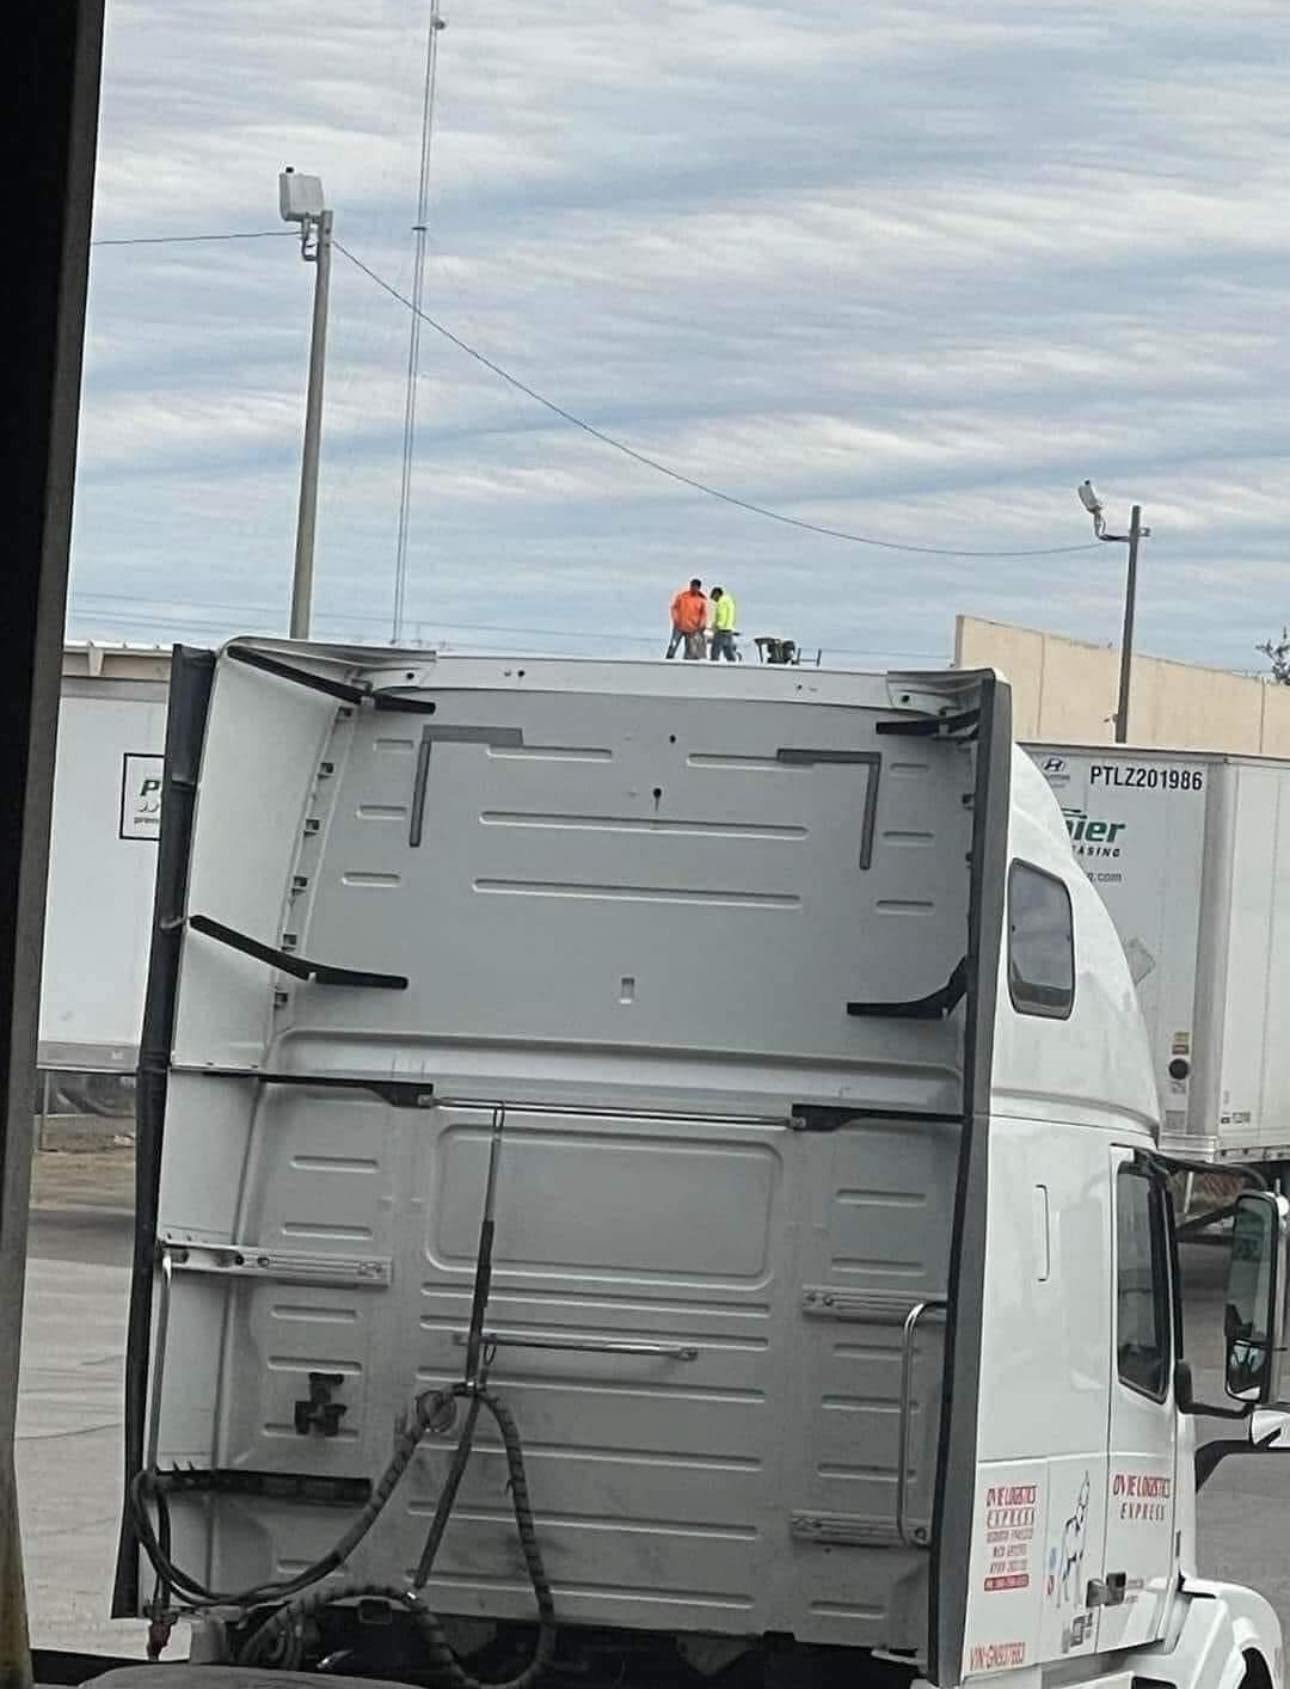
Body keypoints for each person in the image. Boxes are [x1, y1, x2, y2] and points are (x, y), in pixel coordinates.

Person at [667, 579, 708, 659]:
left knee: (691, 650)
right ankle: (669, 659)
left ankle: (687, 663)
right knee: (673, 645)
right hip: (679, 627)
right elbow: (674, 608)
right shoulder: (682, 596)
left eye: (695, 587)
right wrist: (676, 619)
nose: (693, 588)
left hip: (692, 629)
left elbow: (703, 614)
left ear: (699, 588)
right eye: (692, 586)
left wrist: (701, 624)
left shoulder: (701, 600)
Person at [709, 586, 737, 661]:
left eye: (713, 596)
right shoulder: (730, 602)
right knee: (728, 651)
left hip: (721, 631)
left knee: (715, 651)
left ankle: (713, 667)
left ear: (717, 594)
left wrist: (716, 626)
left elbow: (721, 615)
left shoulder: (721, 602)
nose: (714, 600)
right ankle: (733, 666)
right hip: (729, 630)